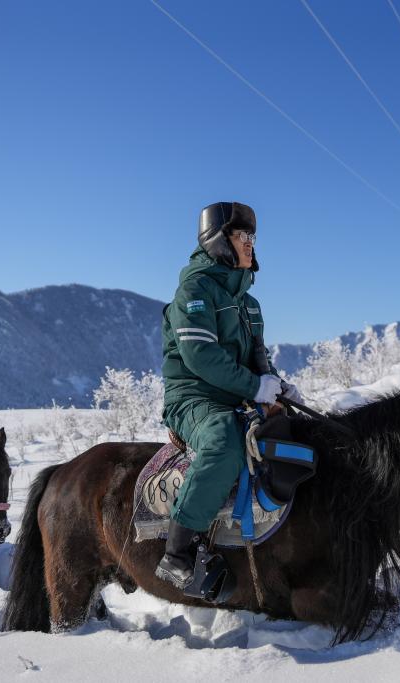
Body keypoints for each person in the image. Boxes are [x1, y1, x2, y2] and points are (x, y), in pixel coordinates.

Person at [156, 201, 300, 590]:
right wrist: (255, 387)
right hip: (194, 397)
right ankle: (177, 552)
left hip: (237, 394)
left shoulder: (249, 304)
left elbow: (258, 358)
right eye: (243, 236)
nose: (250, 244)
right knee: (223, 442)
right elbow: (200, 356)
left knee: (295, 430)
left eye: (252, 237)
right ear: (219, 242)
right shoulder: (194, 291)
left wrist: (277, 386)